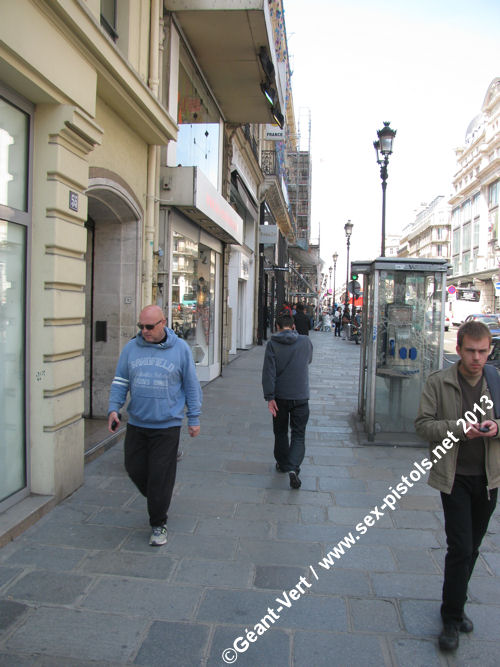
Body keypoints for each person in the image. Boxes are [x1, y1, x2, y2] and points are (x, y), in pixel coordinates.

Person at [415, 320, 500, 651]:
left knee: (474, 547)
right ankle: (451, 618)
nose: (477, 358)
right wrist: (459, 429)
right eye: (470, 351)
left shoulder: (495, 381)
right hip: (454, 478)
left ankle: (457, 604)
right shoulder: (440, 382)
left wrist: (495, 426)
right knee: (460, 547)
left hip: (489, 477)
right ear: (459, 349)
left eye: (483, 351)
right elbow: (423, 426)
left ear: (490, 349)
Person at [108, 305, 202, 547]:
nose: (145, 331)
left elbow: (191, 386)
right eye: (141, 326)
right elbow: (120, 380)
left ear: (163, 323)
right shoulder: (131, 348)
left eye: (149, 326)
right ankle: (158, 498)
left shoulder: (180, 349)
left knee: (160, 475)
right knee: (134, 468)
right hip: (137, 423)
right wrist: (113, 408)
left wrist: (194, 418)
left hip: (167, 426)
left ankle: (158, 523)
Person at [262, 313, 313, 489]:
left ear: (276, 327)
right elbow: (309, 360)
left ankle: (283, 464)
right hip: (300, 396)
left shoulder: (272, 344)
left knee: (281, 432)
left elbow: (268, 373)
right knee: (298, 434)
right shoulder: (305, 341)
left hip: (280, 397)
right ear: (293, 327)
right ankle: (293, 467)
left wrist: (269, 397)